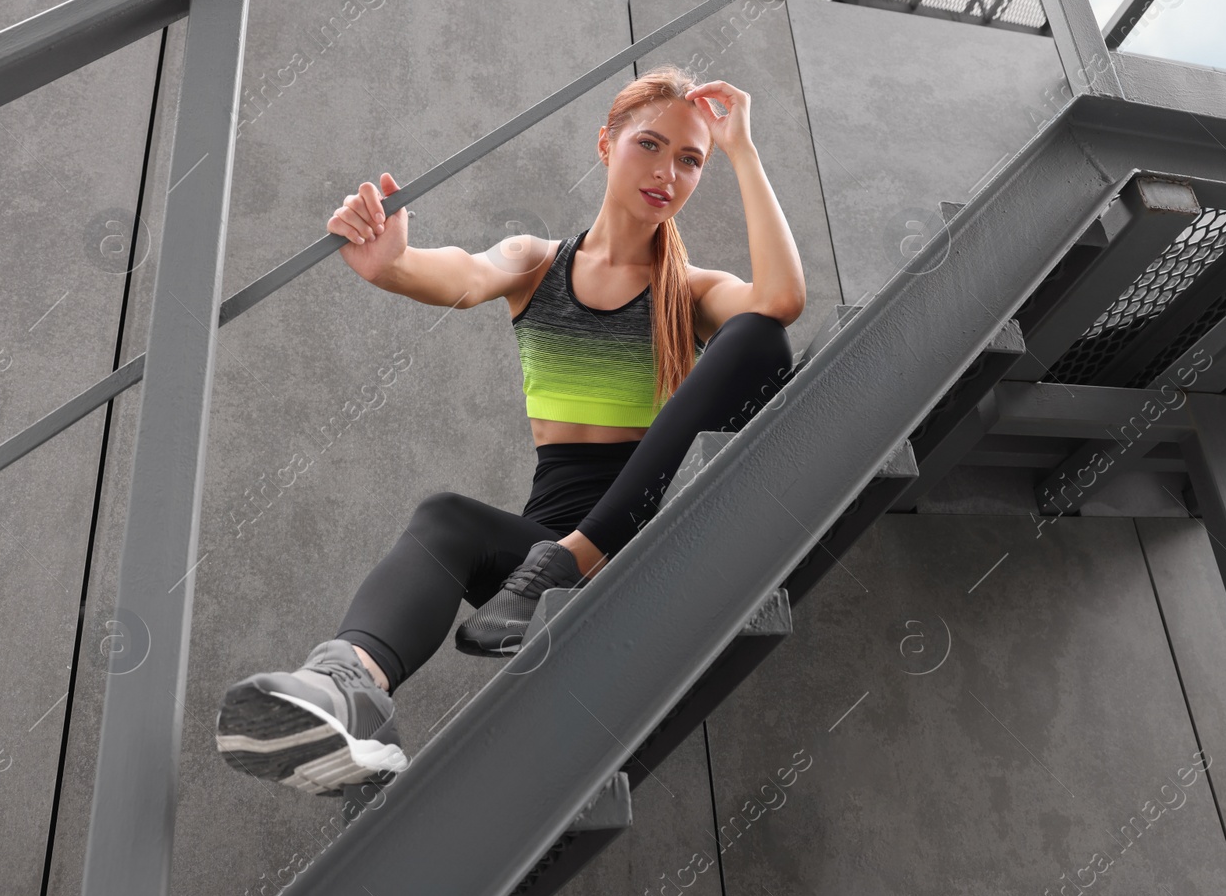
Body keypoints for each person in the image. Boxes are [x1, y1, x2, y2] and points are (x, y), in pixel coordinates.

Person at [215, 65, 806, 796]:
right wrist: (391, 263)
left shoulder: (692, 292)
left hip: (644, 535)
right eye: (650, 146)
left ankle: (575, 560)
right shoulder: (538, 263)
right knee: (445, 518)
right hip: (536, 558)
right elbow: (462, 275)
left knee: (760, 340)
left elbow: (781, 298)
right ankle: (348, 688)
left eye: (691, 159)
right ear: (605, 143)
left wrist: (742, 149)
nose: (668, 173)